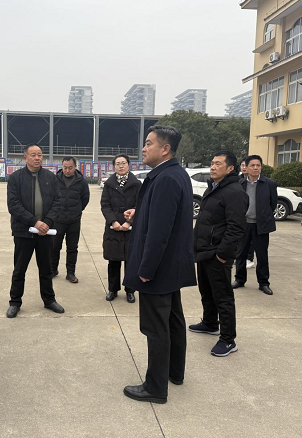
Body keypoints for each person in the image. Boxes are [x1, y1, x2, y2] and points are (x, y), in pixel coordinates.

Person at [121, 125, 196, 404]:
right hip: (171, 267)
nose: (143, 148)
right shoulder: (174, 174)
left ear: (165, 149)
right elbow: (163, 216)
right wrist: (140, 212)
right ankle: (174, 372)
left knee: (156, 328)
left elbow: (160, 232)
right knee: (173, 320)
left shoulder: (165, 178)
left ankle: (155, 387)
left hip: (158, 269)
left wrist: (146, 269)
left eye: (149, 143)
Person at [190, 151, 248, 357]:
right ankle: (209, 322)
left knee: (223, 297)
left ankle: (228, 339)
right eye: (212, 163)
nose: (212, 167)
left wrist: (223, 254)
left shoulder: (234, 192)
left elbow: (236, 228)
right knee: (206, 291)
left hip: (217, 253)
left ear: (230, 168)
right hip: (204, 251)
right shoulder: (214, 187)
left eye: (218, 164)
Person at [6, 144, 65, 318]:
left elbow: (58, 202)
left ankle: (49, 300)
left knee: (46, 269)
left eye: (39, 154)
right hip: (23, 232)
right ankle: (15, 302)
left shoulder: (50, 177)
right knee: (19, 269)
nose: (37, 158)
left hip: (45, 232)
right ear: (25, 158)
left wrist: (46, 223)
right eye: (33, 155)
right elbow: (13, 205)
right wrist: (34, 222)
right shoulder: (16, 178)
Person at [232, 155, 278, 296]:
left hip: (261, 226)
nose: (256, 168)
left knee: (262, 255)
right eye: (252, 165)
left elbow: (273, 204)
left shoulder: (269, 184)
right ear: (246, 167)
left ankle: (263, 283)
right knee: (240, 254)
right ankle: (239, 279)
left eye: (258, 165)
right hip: (243, 225)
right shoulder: (240, 184)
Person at [101, 154, 141, 303]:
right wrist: (113, 222)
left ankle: (130, 290)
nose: (121, 166)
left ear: (128, 165)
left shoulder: (136, 184)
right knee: (113, 260)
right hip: (113, 228)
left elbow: (140, 205)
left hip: (131, 228)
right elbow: (105, 205)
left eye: (123, 163)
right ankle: (113, 289)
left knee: (131, 261)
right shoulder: (109, 184)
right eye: (117, 164)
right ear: (114, 167)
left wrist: (129, 222)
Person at [51, 156, 90, 283]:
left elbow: (85, 199)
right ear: (62, 167)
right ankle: (53, 269)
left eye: (70, 168)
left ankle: (70, 273)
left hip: (74, 220)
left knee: (72, 248)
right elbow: (50, 197)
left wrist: (77, 210)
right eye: (65, 167)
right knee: (55, 247)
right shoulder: (55, 180)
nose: (67, 170)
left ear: (75, 167)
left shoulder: (81, 181)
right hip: (58, 220)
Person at [239, 160, 255, 269]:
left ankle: (249, 258)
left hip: (253, 218)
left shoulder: (258, 182)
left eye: (246, 165)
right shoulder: (239, 181)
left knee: (251, 241)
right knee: (240, 240)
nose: (244, 167)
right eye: (242, 165)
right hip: (241, 216)